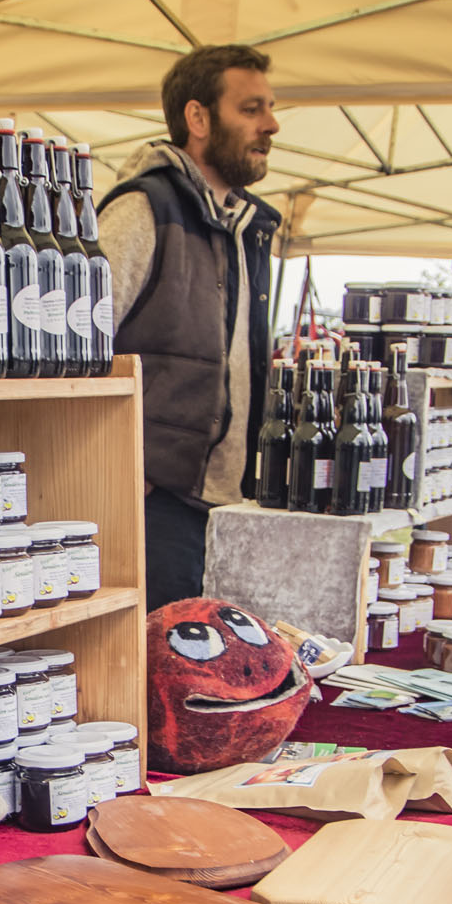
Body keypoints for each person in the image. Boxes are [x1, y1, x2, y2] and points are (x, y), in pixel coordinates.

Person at [100, 44, 281, 609]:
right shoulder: (142, 211)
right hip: (153, 506)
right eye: (251, 109)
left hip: (225, 506)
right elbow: (71, 349)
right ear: (197, 118)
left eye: (271, 108)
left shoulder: (245, 227)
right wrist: (121, 467)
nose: (271, 125)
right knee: (156, 681)